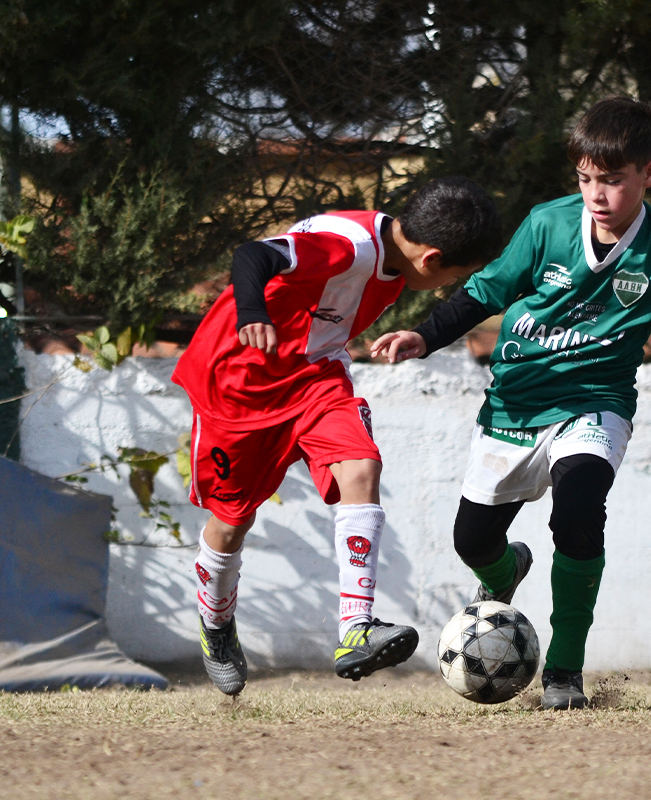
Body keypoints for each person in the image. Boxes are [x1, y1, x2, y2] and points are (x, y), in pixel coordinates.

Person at [371, 97, 651, 710]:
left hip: (596, 403)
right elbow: (485, 290)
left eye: (611, 180)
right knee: (472, 541)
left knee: (580, 506)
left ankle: (564, 670)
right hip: (513, 405)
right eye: (586, 179)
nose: (596, 194)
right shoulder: (547, 224)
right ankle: (505, 572)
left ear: (648, 175)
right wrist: (425, 334)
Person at [173, 177, 502, 695]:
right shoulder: (348, 246)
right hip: (236, 386)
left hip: (315, 378)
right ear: (431, 258)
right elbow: (252, 255)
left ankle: (355, 630)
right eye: (452, 278)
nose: (443, 289)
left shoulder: (396, 252)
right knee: (231, 523)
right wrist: (254, 313)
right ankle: (216, 624)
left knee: (361, 466)